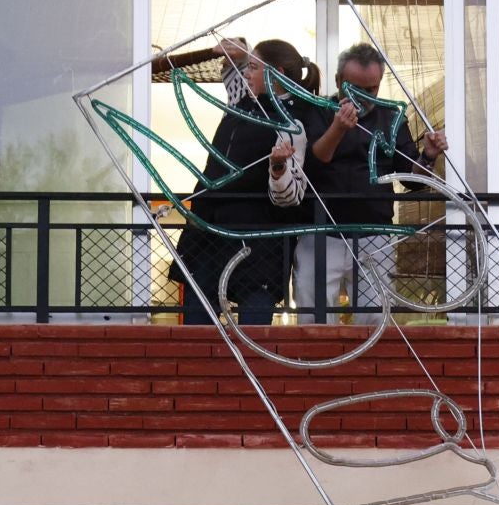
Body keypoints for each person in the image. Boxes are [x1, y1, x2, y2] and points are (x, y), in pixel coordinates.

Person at [294, 42, 450, 322]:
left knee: (374, 319)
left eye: (372, 89)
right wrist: (338, 128)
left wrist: (428, 155)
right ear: (339, 81)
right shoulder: (316, 111)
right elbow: (315, 164)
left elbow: (410, 177)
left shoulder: (390, 117)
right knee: (313, 315)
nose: (365, 97)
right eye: (357, 88)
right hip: (321, 230)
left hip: (373, 233)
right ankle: (314, 366)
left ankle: (368, 367)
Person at [170, 39, 317, 326]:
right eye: (247, 67)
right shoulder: (242, 101)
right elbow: (233, 65)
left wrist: (277, 170)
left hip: (258, 241)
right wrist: (242, 49)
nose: (247, 73)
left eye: (253, 68)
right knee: (196, 332)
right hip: (209, 231)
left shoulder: (292, 123)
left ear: (277, 73)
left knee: (252, 334)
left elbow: (290, 196)